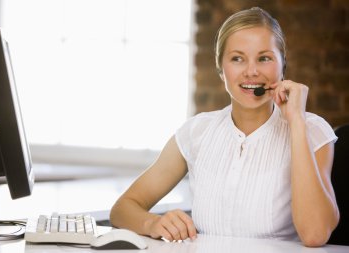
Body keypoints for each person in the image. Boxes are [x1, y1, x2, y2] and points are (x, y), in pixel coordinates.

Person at [110, 7, 339, 247]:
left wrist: (296, 122)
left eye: (264, 58)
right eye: (237, 58)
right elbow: (122, 209)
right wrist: (152, 224)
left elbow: (315, 234)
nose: (251, 71)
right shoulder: (196, 132)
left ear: (283, 65)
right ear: (221, 70)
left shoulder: (312, 131)